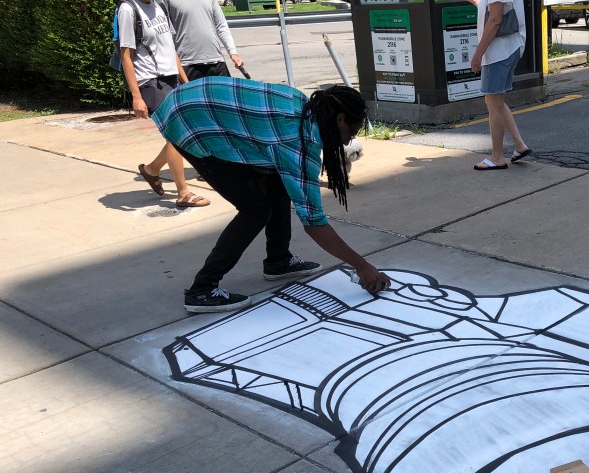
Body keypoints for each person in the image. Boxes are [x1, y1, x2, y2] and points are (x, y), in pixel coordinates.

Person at [152, 78, 390, 313]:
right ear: (339, 119)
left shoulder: (307, 110)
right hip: (189, 118)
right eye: (352, 131)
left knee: (278, 182)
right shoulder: (298, 140)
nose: (349, 140)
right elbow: (314, 222)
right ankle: (202, 289)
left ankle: (278, 260)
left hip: (198, 101)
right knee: (255, 209)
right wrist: (362, 266)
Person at [117, 0, 210, 208]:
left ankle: (152, 170)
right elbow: (126, 56)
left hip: (171, 79)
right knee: (177, 135)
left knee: (180, 134)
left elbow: (170, 50)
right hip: (151, 83)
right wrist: (136, 96)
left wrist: (186, 82)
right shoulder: (128, 9)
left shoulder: (158, 6)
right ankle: (183, 193)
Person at [469, 0, 532, 171]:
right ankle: (520, 146)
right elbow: (492, 7)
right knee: (495, 101)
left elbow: (495, 19)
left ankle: (497, 157)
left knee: (493, 100)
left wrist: (478, 54)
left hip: (499, 51)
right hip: (505, 48)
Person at [159, 0, 245, 81]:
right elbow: (162, 32)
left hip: (216, 61)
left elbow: (221, 25)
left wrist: (233, 53)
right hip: (187, 64)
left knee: (225, 92)